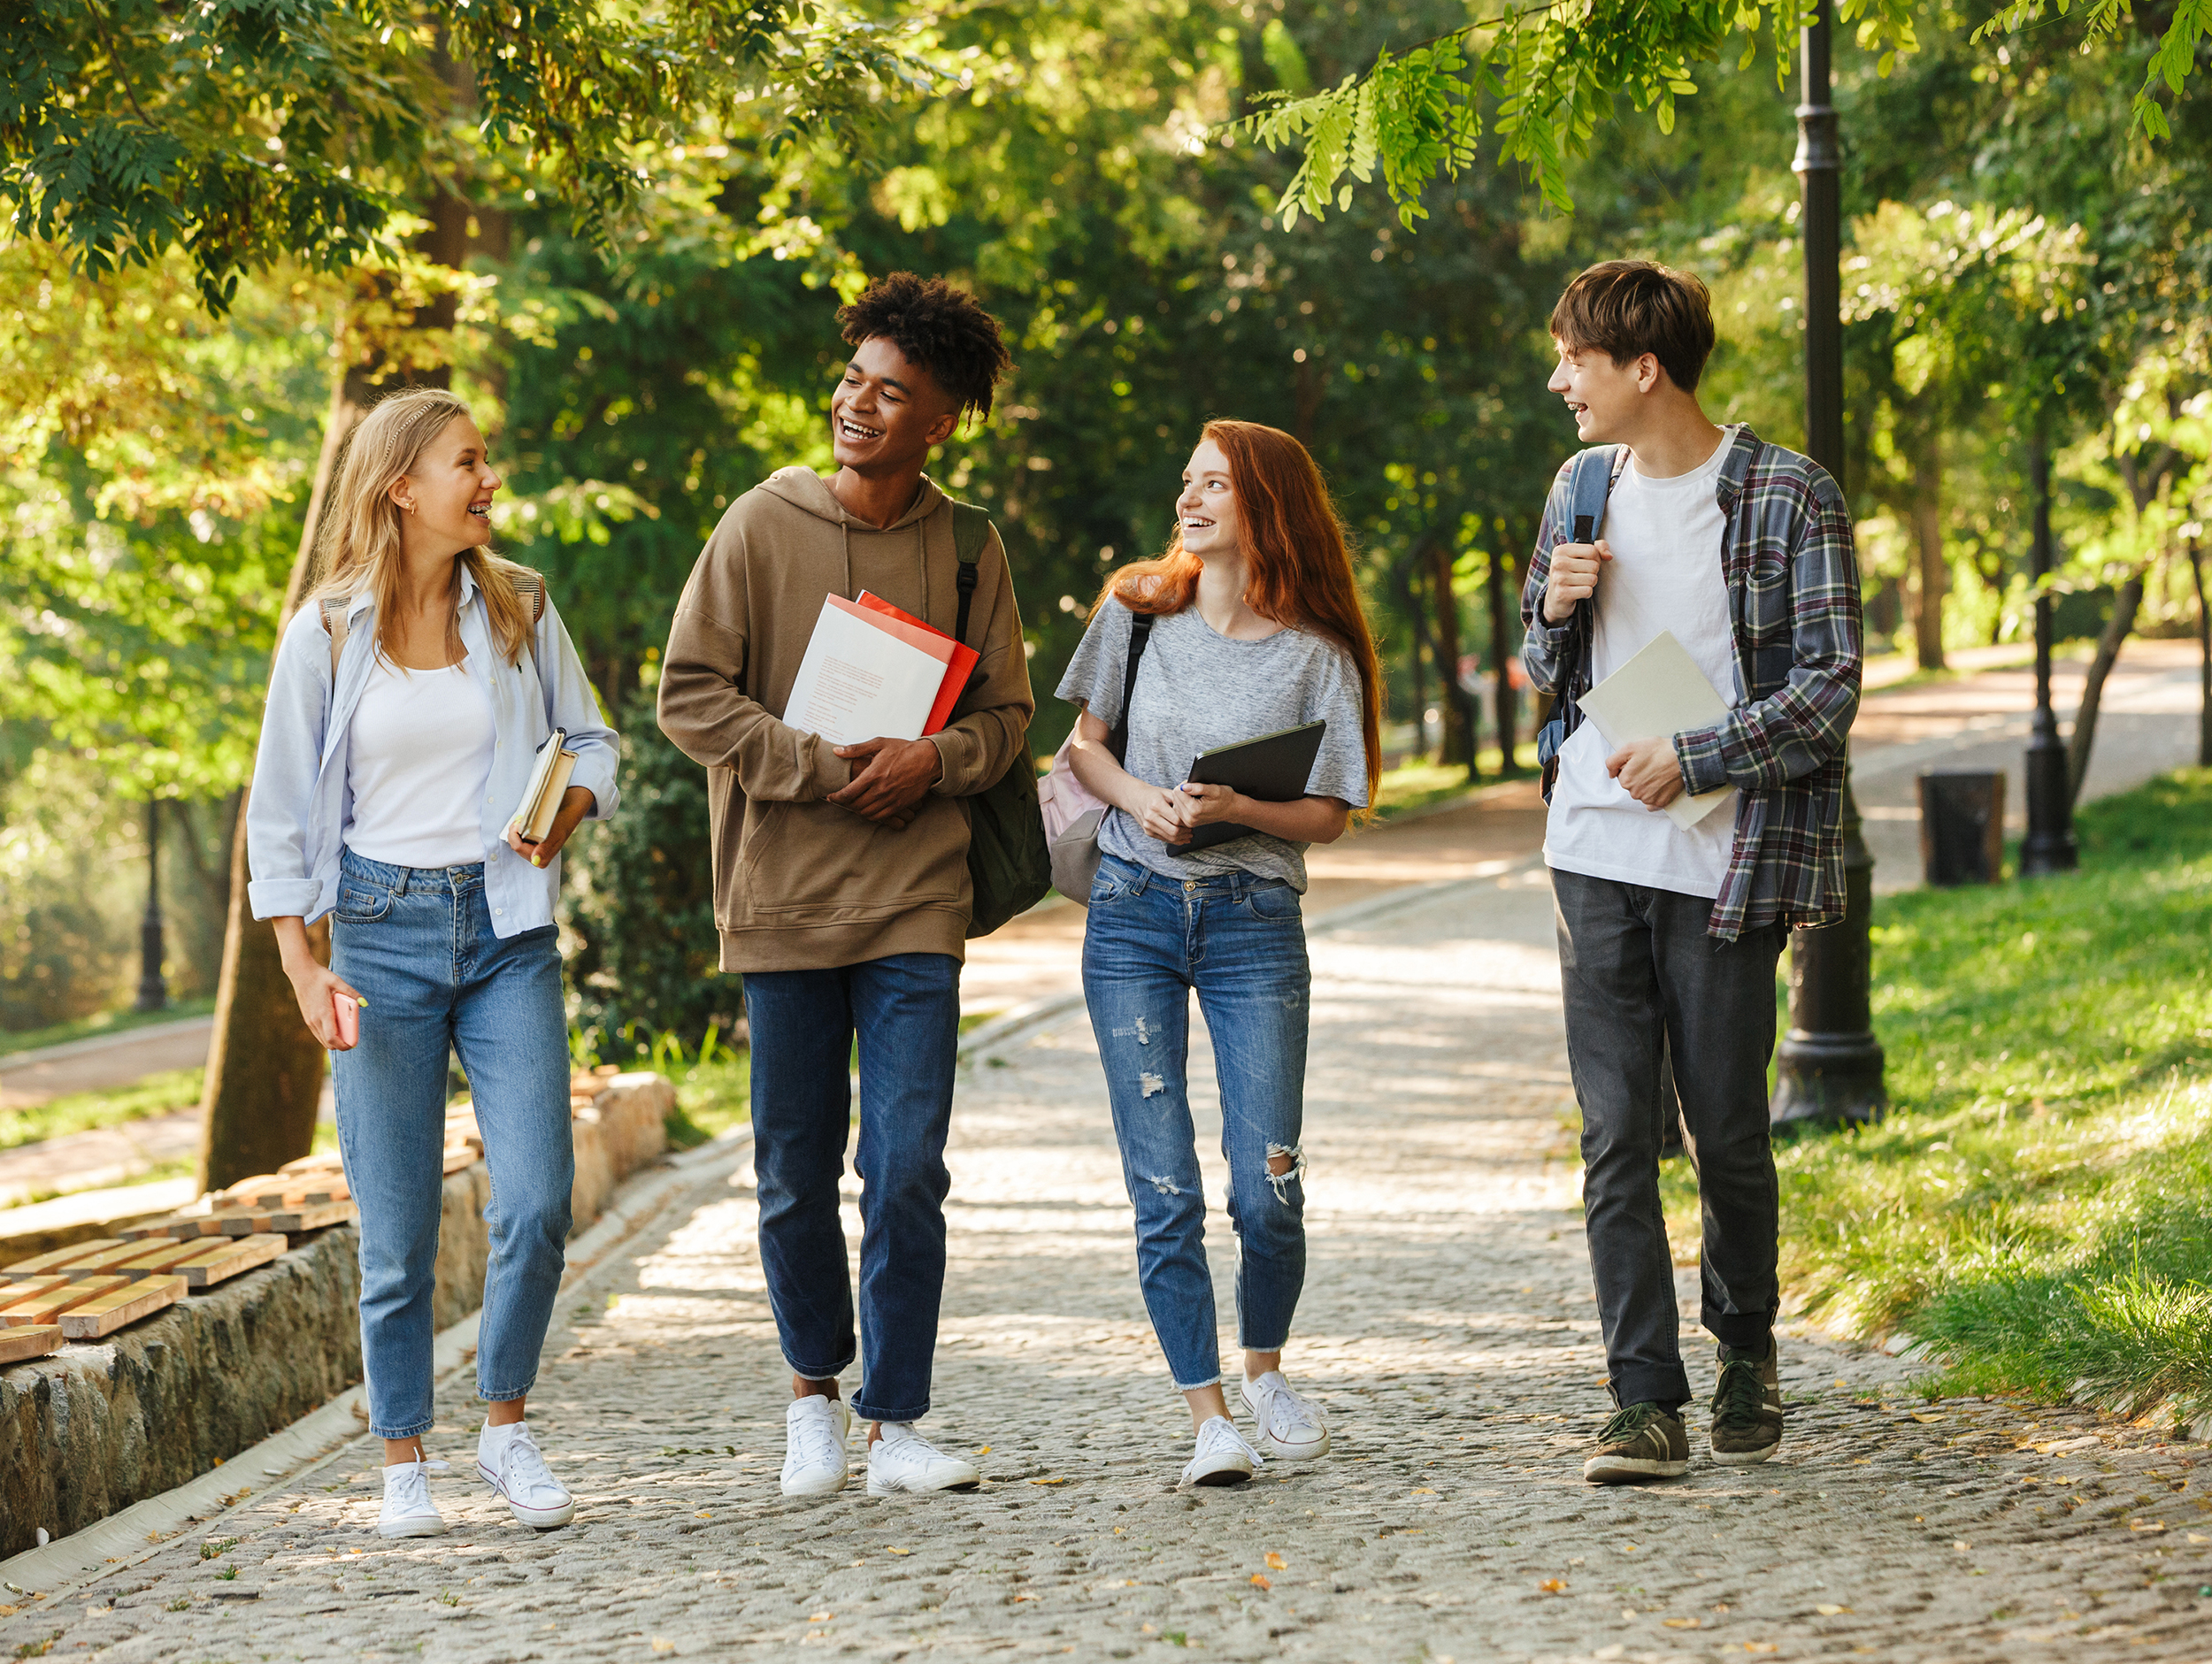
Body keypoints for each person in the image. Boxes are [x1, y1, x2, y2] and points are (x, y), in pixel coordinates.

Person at [657, 273, 1033, 1499]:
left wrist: (935, 759)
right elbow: (691, 694)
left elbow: (1011, 719)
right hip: (781, 898)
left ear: (941, 420)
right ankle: (813, 1389)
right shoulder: (759, 524)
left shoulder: (971, 546)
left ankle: (897, 1422)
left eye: (892, 393)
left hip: (917, 898)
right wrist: (817, 768)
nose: (858, 404)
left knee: (909, 1162)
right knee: (792, 1166)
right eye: (853, 381)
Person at [246, 386, 620, 1537]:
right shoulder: (324, 632)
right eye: (469, 462)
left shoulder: (518, 605)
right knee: (398, 1224)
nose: (488, 480)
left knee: (542, 1196)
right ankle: (403, 1454)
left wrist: (561, 817)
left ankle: (505, 1428)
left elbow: (594, 739)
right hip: (376, 936)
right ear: (402, 482)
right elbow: (278, 814)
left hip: (504, 932)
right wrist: (304, 968)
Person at [1521, 260, 1863, 1484]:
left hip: (1728, 857)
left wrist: (1699, 752)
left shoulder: (1785, 494)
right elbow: (1538, 661)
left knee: (1723, 1126)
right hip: (1593, 851)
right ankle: (1642, 1400)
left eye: (1576, 360)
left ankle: (1746, 1348)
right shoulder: (1579, 486)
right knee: (1616, 1134)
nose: (1560, 381)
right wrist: (1553, 613)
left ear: (1642, 367)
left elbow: (1829, 688)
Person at [1056, 419, 1380, 1486]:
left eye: (1213, 485)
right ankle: (1207, 1416)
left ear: (1265, 507)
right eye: (1184, 480)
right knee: (1164, 1188)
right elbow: (1082, 750)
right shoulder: (1136, 612)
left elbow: (1330, 812)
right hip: (1132, 912)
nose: (1188, 499)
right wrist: (1143, 798)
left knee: (1265, 1182)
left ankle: (1267, 1369)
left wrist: (1237, 802)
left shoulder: (1316, 654)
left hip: (1253, 921)